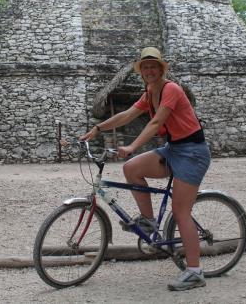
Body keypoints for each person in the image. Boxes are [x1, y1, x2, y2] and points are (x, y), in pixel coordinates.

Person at [80, 47, 211, 291]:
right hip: (174, 149)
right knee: (131, 168)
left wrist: (132, 145)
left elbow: (156, 122)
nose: (149, 71)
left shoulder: (170, 89)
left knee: (181, 212)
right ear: (141, 71)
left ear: (162, 69)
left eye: (154, 66)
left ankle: (195, 272)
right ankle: (149, 221)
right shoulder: (150, 91)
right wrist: (98, 129)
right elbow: (127, 115)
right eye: (145, 67)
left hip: (193, 153)